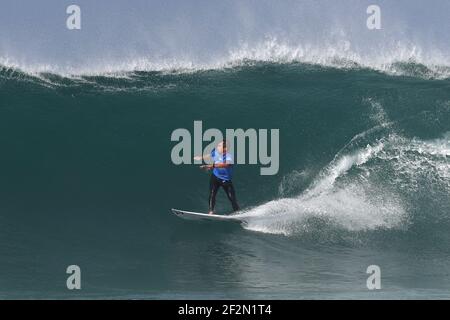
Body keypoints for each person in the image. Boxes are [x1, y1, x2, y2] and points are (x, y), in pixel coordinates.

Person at [194, 140, 240, 215]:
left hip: (226, 180)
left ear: (225, 149)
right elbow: (210, 154)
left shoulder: (229, 156)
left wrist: (209, 166)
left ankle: (238, 213)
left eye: (219, 146)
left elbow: (225, 165)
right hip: (215, 177)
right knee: (212, 194)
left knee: (231, 198)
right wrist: (201, 157)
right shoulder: (216, 152)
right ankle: (211, 211)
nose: (217, 147)